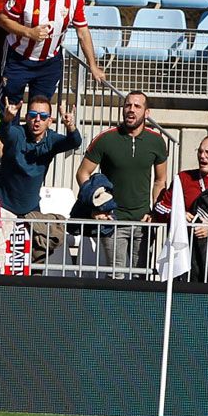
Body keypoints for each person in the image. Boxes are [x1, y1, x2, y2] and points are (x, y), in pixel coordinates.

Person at [76, 91, 169, 279]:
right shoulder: (106, 139)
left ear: (147, 112)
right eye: (128, 105)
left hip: (143, 222)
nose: (131, 110)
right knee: (115, 277)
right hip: (113, 220)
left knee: (140, 277)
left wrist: (155, 213)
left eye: (137, 106)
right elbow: (82, 173)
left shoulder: (157, 141)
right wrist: (97, 206)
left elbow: (160, 180)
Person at [0, 0, 105, 106]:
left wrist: (93, 65)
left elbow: (82, 32)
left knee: (40, 111)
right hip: (18, 59)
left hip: (49, 63)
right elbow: (2, 20)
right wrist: (29, 32)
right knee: (10, 108)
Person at [150, 134, 208, 282]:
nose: (202, 156)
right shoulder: (183, 179)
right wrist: (178, 215)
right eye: (200, 151)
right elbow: (161, 207)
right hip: (183, 252)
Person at [0, 96, 81, 217]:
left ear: (49, 121)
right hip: (3, 205)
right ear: (27, 117)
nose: (37, 120)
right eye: (33, 115)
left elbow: (75, 142)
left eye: (43, 116)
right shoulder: (18, 133)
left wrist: (70, 126)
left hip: (31, 208)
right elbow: (5, 134)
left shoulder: (51, 139)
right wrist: (7, 120)